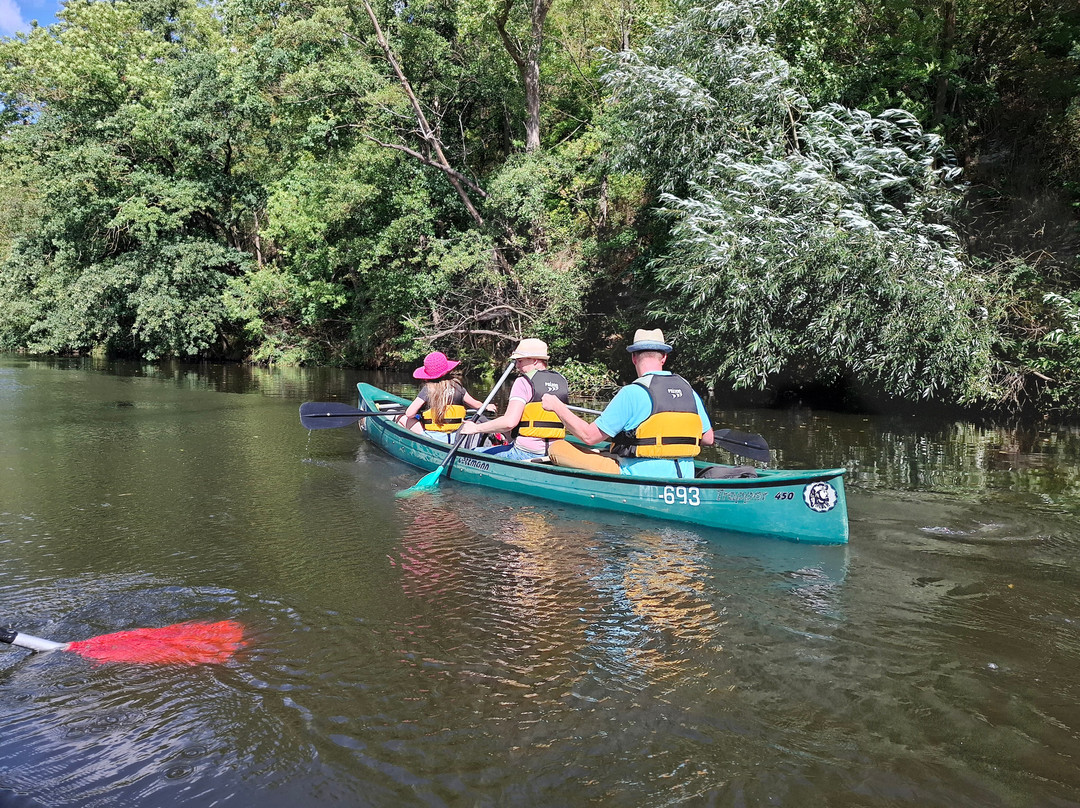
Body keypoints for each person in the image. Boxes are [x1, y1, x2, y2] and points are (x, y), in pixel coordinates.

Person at [541, 328, 714, 477]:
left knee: (558, 448)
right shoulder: (688, 390)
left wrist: (558, 407)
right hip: (685, 475)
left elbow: (589, 436)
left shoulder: (632, 392)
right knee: (613, 449)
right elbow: (708, 438)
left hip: (638, 475)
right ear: (663, 358)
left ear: (633, 358)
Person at [458, 338, 570, 462]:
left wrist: (475, 428)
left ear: (534, 361)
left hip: (526, 453)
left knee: (471, 453)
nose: (517, 366)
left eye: (520, 361)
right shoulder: (562, 380)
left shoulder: (523, 382)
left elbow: (509, 423)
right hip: (553, 453)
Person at [397, 351, 495, 444]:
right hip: (455, 436)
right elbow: (477, 405)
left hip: (432, 437)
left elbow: (409, 413)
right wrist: (486, 406)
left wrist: (419, 415)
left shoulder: (428, 389)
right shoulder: (457, 387)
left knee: (401, 417)